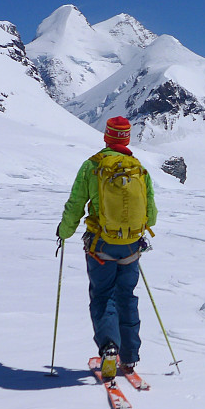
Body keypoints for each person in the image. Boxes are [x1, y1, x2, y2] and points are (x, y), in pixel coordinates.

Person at [56, 116, 157, 379]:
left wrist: (64, 232)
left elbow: (76, 204)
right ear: (127, 138)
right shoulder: (138, 168)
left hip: (101, 245)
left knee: (103, 296)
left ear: (106, 137)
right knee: (127, 296)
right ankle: (131, 357)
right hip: (132, 246)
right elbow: (152, 215)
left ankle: (110, 347)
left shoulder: (93, 166)